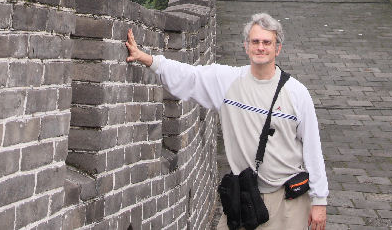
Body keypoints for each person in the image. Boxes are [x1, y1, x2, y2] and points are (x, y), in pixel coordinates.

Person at [126, 13, 328, 230]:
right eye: (255, 41)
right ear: (246, 46)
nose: (261, 47)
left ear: (277, 48)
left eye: (267, 42)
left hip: (287, 200)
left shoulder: (297, 93)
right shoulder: (228, 82)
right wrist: (148, 59)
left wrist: (320, 200)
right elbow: (190, 76)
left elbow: (312, 148)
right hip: (244, 197)